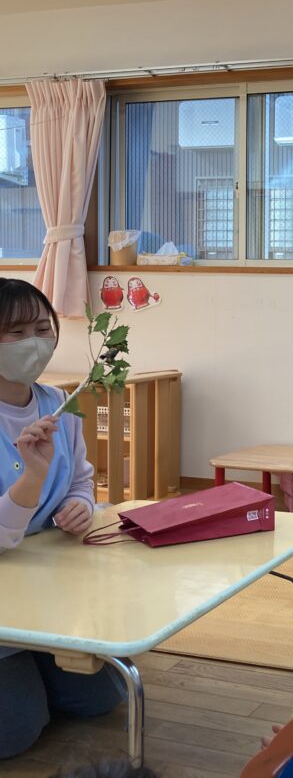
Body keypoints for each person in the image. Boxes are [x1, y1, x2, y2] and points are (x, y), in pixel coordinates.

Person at [0, 278, 124, 760]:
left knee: (102, 697)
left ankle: (32, 666)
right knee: (15, 735)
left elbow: (81, 478)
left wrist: (82, 505)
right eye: (15, 332)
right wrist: (31, 478)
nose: (33, 342)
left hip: (44, 578)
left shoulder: (60, 404)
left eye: (41, 329)